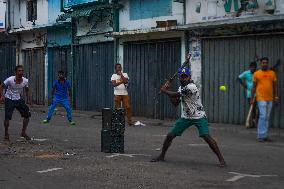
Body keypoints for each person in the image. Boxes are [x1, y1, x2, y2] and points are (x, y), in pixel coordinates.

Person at [151, 67, 226, 167]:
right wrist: (168, 91)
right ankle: (162, 155)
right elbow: (175, 103)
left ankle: (222, 160)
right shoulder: (180, 88)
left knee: (206, 136)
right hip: (186, 117)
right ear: (179, 78)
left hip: (198, 116)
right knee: (170, 135)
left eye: (185, 77)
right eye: (182, 77)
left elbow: (176, 94)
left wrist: (165, 91)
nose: (183, 79)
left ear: (189, 77)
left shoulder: (191, 87)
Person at [0, 65, 32, 141]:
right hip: (9, 99)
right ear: (16, 72)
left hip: (18, 99)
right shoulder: (10, 80)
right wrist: (2, 96)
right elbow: (1, 86)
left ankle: (23, 132)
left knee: (27, 115)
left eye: (22, 71)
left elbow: (27, 89)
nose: (21, 72)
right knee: (7, 117)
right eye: (19, 71)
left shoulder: (25, 81)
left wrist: (29, 99)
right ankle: (6, 134)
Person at [251, 57, 279, 142]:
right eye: (263, 62)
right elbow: (254, 87)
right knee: (263, 116)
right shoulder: (256, 74)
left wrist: (276, 97)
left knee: (267, 117)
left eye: (266, 62)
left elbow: (275, 86)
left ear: (268, 63)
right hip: (260, 97)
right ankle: (260, 135)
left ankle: (265, 135)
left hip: (270, 98)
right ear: (261, 64)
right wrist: (252, 98)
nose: (265, 64)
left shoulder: (272, 73)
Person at [238, 61, 257, 128]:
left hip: (258, 93)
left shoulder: (257, 73)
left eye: (254, 67)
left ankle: (254, 122)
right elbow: (239, 78)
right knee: (252, 107)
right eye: (252, 67)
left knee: (257, 108)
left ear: (255, 68)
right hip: (250, 93)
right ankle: (252, 122)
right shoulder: (246, 73)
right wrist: (244, 85)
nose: (253, 68)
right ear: (249, 67)